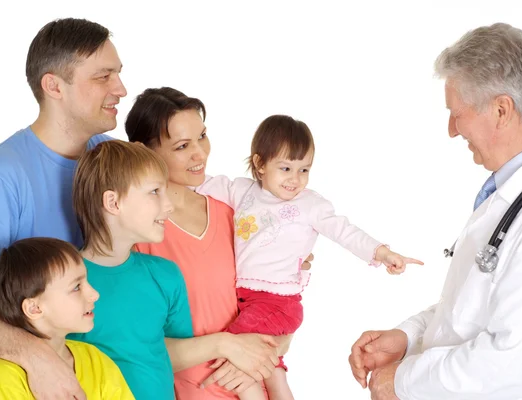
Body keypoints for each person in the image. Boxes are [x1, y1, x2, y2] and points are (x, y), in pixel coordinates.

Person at [349, 23, 522, 400]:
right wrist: (408, 336)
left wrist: (400, 381)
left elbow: (510, 362)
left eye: (457, 113)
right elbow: (474, 307)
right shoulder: (517, 192)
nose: (452, 130)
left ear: (501, 110)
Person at [193, 114, 424, 399]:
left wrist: (382, 252)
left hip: (277, 302)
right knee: (272, 368)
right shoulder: (241, 191)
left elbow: (345, 232)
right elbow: (200, 183)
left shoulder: (311, 204)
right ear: (259, 164)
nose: (295, 179)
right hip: (245, 299)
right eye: (286, 168)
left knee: (241, 358)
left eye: (304, 170)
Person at [0, 17, 126, 399]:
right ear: (54, 85)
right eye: (103, 76)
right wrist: (37, 359)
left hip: (99, 378)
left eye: (118, 74)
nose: (120, 89)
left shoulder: (111, 160)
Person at [125, 87, 312, 399]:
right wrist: (228, 346)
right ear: (143, 150)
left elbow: (278, 312)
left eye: (202, 136)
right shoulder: (139, 236)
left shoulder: (235, 214)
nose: (200, 153)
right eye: (183, 146)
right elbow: (136, 350)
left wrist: (258, 355)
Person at [68, 139, 195, 399]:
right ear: (113, 203)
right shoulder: (63, 283)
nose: (168, 205)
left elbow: (175, 352)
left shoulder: (166, 275)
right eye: (154, 192)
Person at [0, 237, 134, 399]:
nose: (94, 294)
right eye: (76, 287)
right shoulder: (5, 378)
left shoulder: (96, 360)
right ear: (35, 308)